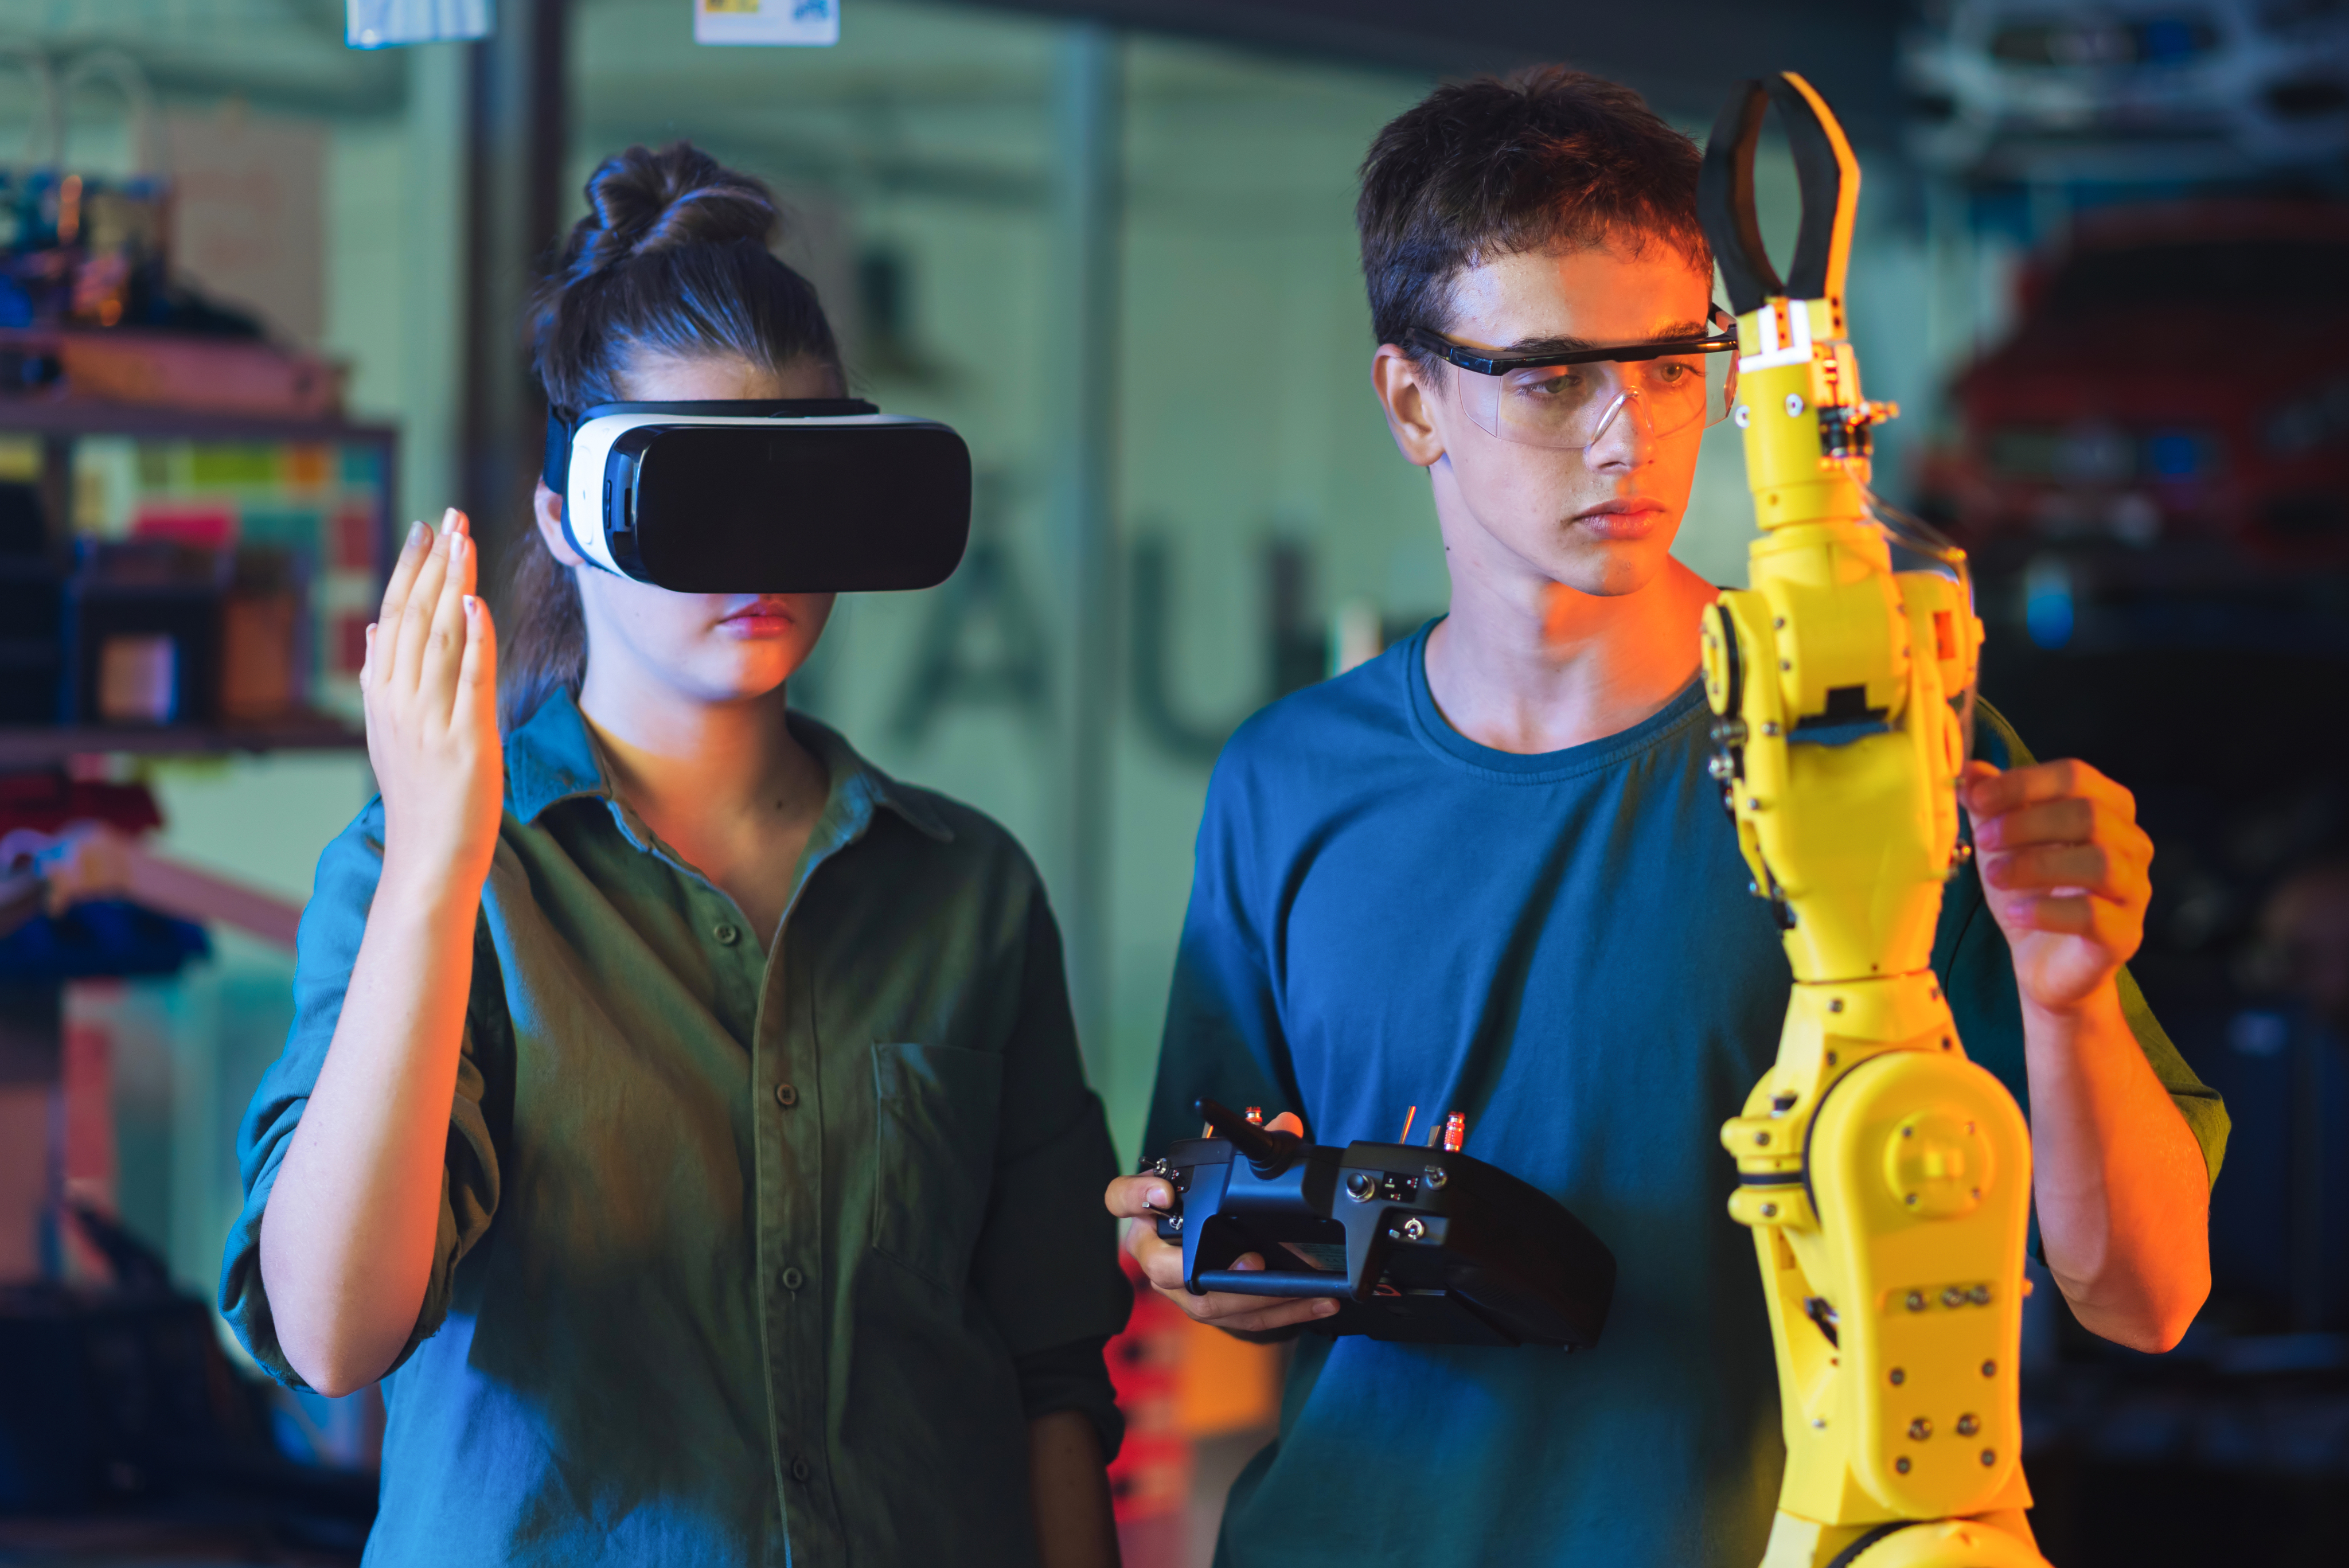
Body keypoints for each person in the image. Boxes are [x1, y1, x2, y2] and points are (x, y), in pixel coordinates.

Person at [1105, 69, 2228, 1565]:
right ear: (1412, 400)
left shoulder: (1877, 739)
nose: (1628, 437)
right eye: (1551, 378)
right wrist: (1211, 1247)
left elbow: (2144, 1292)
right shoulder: (1287, 779)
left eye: (1670, 363)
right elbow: (1199, 1228)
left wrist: (2067, 996)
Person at [221, 143, 1127, 1568]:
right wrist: (435, 865)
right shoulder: (432, 873)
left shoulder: (967, 890)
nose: (760, 556)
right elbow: (334, 1333)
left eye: (801, 486)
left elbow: (1050, 1372)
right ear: (563, 517)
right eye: (700, 493)